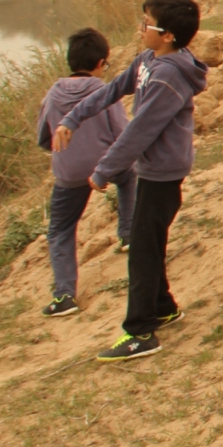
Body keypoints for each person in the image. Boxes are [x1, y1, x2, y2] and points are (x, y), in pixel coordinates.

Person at [54, 0, 208, 362]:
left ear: (168, 35)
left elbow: (140, 130)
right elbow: (110, 90)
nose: (140, 29)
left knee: (140, 252)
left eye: (146, 23)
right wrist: (72, 118)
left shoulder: (169, 76)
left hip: (162, 176)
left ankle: (140, 332)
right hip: (151, 172)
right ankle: (163, 307)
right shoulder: (148, 61)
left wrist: (104, 169)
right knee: (147, 245)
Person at [35, 27, 135, 315]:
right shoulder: (105, 92)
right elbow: (123, 133)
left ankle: (64, 295)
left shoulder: (53, 94)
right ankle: (128, 234)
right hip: (104, 165)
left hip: (68, 172)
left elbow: (44, 137)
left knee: (60, 229)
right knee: (129, 175)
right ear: (101, 63)